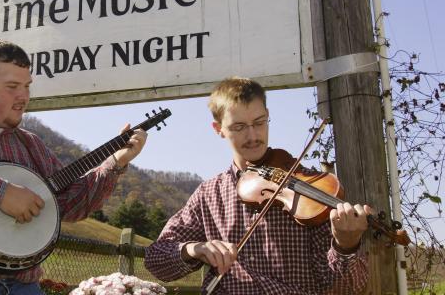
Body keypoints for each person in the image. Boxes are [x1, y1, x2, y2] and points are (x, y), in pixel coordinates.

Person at [0, 39, 148, 294]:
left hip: (24, 286)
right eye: (12, 87)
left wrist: (115, 162)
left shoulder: (32, 145)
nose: (24, 96)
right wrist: (1, 193)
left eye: (27, 86)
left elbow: (70, 204)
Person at [144, 77, 371, 294]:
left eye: (259, 122)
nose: (253, 135)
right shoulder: (208, 194)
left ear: (268, 115)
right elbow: (156, 260)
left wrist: (346, 246)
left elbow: (349, 288)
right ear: (218, 129)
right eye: (239, 127)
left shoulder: (312, 189)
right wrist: (195, 249)